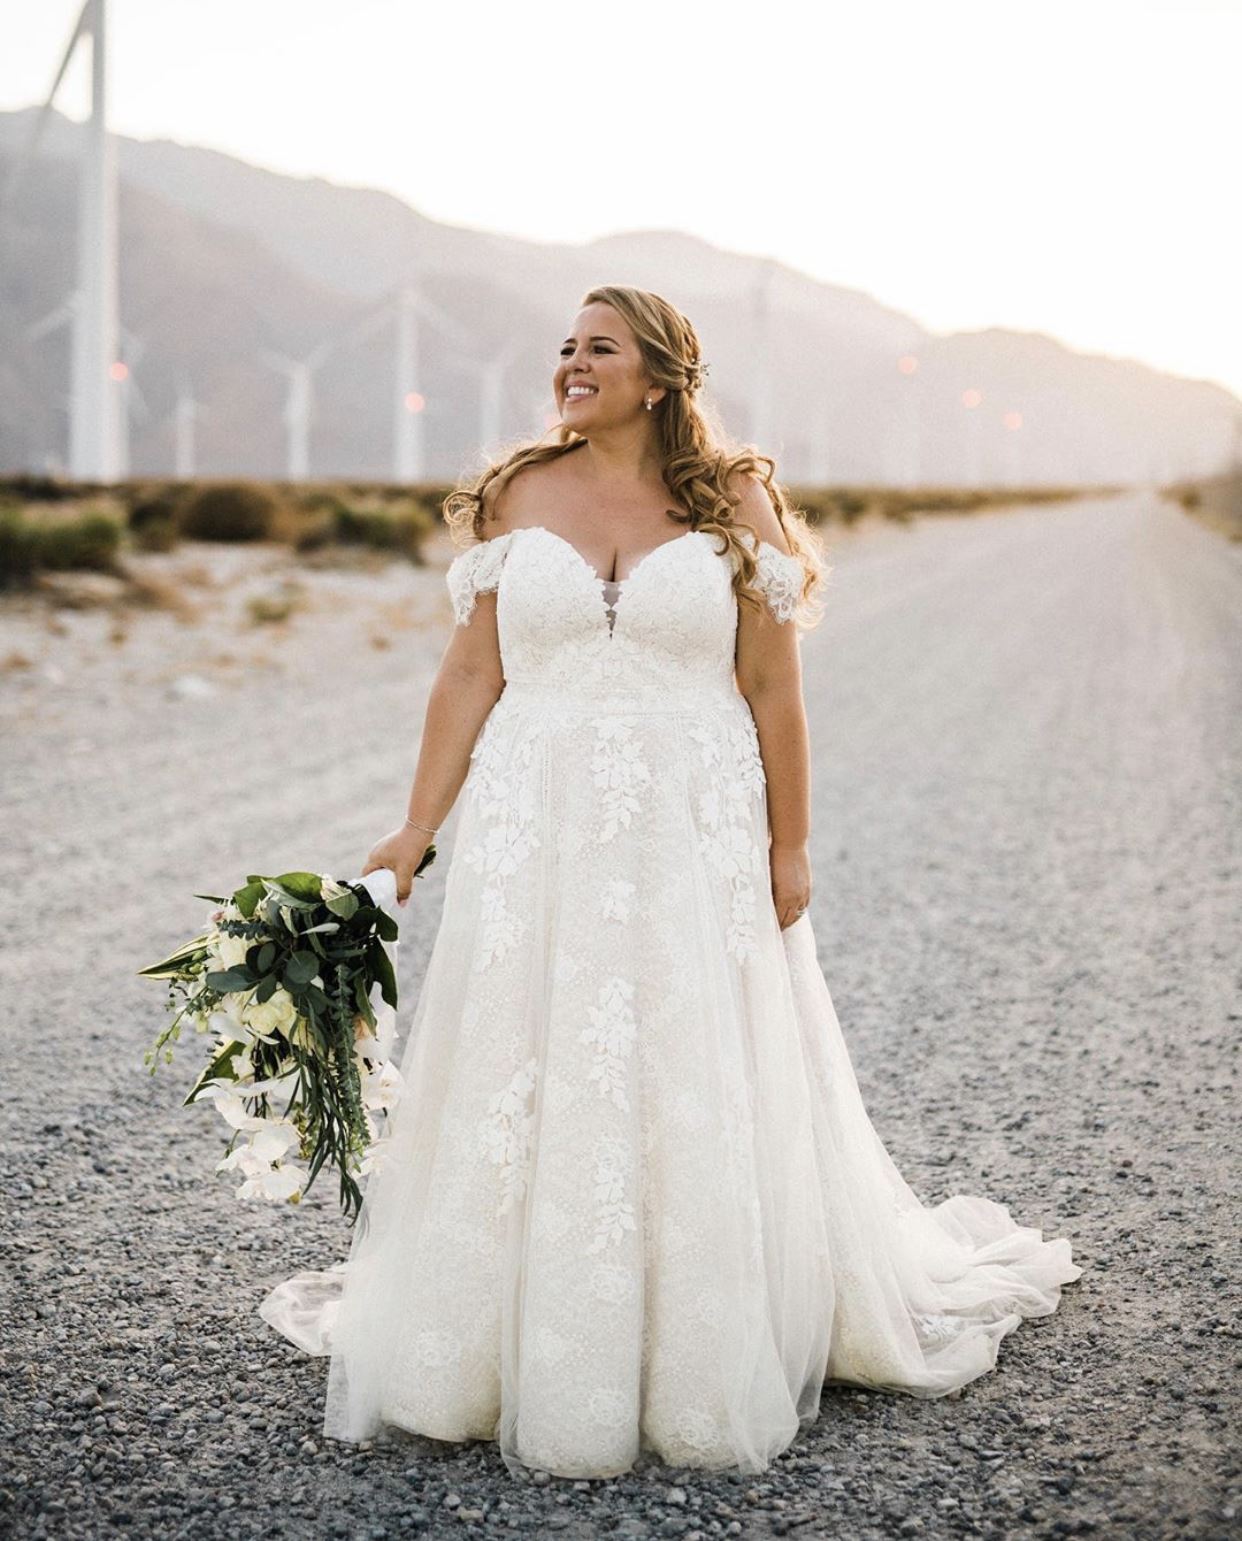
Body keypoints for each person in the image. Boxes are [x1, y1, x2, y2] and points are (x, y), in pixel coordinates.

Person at [259, 284, 1082, 1480]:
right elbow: (467, 675)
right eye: (564, 347)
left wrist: (788, 843)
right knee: (529, 1048)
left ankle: (694, 1337)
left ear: (660, 373)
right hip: (535, 821)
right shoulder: (514, 492)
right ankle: (495, 1336)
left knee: (688, 1049)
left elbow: (774, 688)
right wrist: (414, 827)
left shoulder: (732, 497)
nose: (570, 365)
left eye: (598, 348)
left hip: (690, 824)